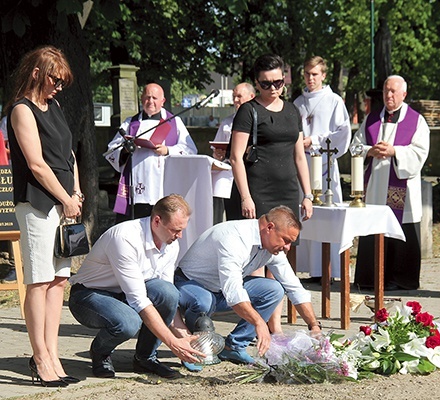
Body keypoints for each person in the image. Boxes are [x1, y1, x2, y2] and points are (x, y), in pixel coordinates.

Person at [7, 45, 82, 387]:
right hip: (38, 203)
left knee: (58, 281)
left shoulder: (54, 107)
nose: (58, 87)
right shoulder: (21, 110)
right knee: (38, 281)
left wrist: (76, 193)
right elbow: (36, 164)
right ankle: (39, 358)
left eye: (62, 83)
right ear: (37, 72)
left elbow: (68, 154)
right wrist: (64, 197)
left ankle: (53, 354)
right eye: (55, 79)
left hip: (64, 202)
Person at [68, 195, 202, 379]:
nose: (179, 236)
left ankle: (145, 359)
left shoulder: (171, 244)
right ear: (157, 221)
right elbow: (138, 300)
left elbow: (167, 294)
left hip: (125, 294)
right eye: (175, 230)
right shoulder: (125, 237)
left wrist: (183, 336)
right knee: (128, 322)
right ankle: (100, 353)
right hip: (89, 295)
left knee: (168, 293)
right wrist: (173, 343)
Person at [174, 206, 322, 365]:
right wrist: (259, 322)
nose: (287, 247)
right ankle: (193, 349)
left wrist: (314, 326)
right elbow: (234, 291)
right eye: (286, 240)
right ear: (269, 228)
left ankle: (234, 347)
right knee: (204, 300)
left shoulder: (271, 245)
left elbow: (294, 286)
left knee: (274, 290)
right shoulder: (234, 237)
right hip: (190, 284)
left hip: (220, 290)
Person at [229, 54, 314, 333]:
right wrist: (246, 197)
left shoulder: (292, 111)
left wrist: (308, 194)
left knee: (279, 256)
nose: (273, 88)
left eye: (278, 82)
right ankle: (259, 326)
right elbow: (236, 157)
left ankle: (274, 326)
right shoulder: (248, 110)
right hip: (257, 190)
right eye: (266, 84)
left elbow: (300, 156)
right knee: (256, 260)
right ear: (257, 83)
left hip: (287, 189)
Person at [351, 75, 430, 291]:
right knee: (374, 228)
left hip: (402, 192)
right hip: (376, 187)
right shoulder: (372, 118)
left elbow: (420, 151)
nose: (389, 95)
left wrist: (395, 151)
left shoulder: (416, 121)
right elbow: (355, 147)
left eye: (394, 91)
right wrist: (370, 150)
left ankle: (401, 279)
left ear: (404, 94)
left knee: (400, 229)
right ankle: (370, 278)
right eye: (386, 91)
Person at [293, 56, 351, 283]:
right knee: (305, 215)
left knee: (326, 216)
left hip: (325, 164)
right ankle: (311, 269)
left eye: (315, 74)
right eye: (307, 74)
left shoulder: (334, 101)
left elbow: (343, 134)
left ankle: (330, 270)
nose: (310, 78)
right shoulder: (298, 103)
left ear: (324, 75)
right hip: (302, 166)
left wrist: (314, 140)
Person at [105, 83, 197, 222]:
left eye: (154, 98)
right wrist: (126, 149)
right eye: (147, 97)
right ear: (142, 99)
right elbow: (112, 150)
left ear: (163, 101)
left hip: (163, 186)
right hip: (136, 186)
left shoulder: (174, 122)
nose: (151, 101)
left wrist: (168, 150)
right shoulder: (130, 123)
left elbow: (191, 150)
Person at [211, 82, 255, 223]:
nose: (235, 100)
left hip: (252, 174)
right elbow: (216, 150)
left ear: (251, 96)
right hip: (230, 174)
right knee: (233, 217)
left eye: (239, 96)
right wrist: (218, 154)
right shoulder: (227, 122)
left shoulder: (258, 119)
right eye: (234, 96)